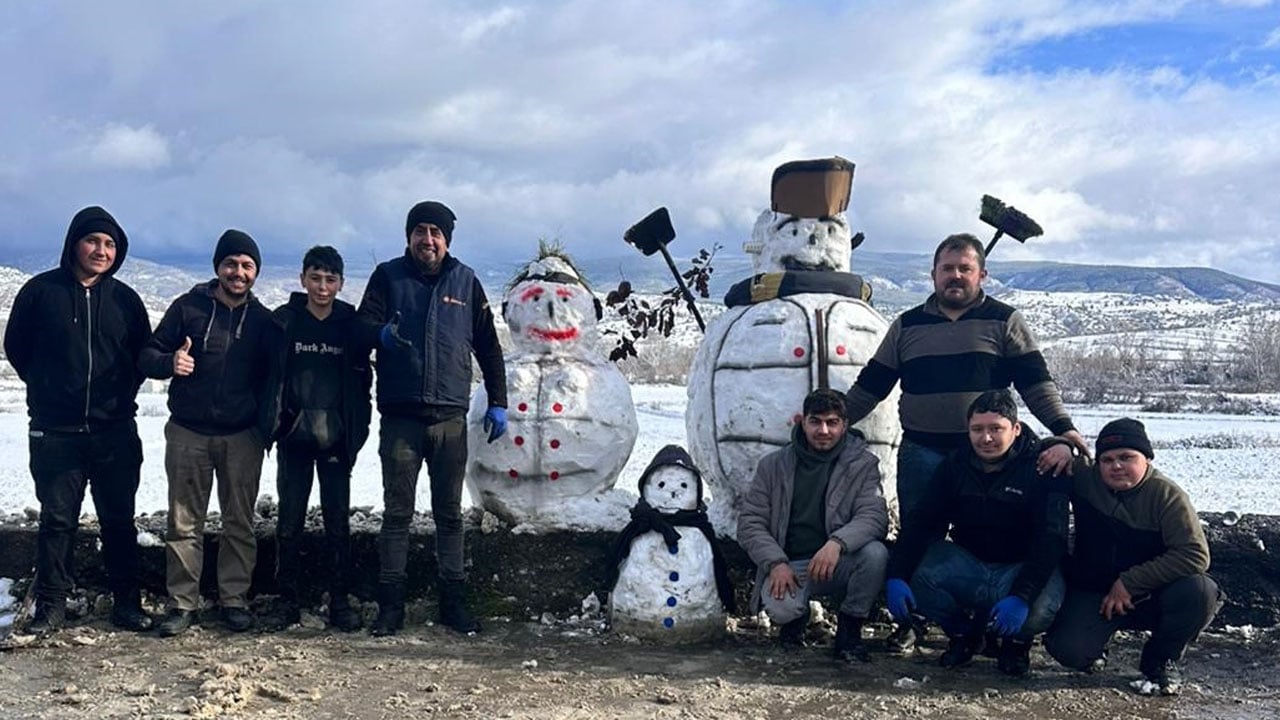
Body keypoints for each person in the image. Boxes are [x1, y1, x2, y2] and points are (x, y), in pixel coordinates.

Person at [844, 232, 1082, 650]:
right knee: (921, 535)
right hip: (924, 451)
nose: (955, 276)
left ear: (982, 274)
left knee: (1000, 534)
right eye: (947, 269)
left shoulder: (1004, 321)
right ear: (933, 274)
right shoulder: (907, 326)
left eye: (964, 269)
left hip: (992, 458)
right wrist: (834, 422)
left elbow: (1035, 382)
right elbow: (872, 385)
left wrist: (1063, 428)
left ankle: (1003, 620)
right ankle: (917, 622)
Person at [357, 200, 508, 636]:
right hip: (401, 417)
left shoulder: (466, 280)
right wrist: (380, 335)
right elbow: (361, 328)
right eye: (420, 231)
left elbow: (489, 347)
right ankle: (391, 607)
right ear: (408, 236)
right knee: (397, 514)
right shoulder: (388, 276)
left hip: (449, 420)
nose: (428, 239)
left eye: (435, 232)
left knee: (449, 516)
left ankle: (453, 605)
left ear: (447, 239)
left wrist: (498, 399)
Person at [4, 206, 153, 633]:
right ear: (74, 244)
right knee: (56, 520)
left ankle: (127, 602)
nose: (101, 251)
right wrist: (49, 389)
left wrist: (120, 395)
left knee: (119, 519)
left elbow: (141, 356)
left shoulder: (125, 300)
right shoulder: (39, 292)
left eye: (109, 244)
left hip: (114, 430)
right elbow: (18, 349)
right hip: (56, 432)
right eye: (93, 241)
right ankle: (51, 607)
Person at [138, 230, 274, 636]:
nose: (238, 272)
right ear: (218, 267)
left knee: (240, 522)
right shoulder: (187, 308)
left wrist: (266, 429)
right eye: (231, 263)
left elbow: (273, 382)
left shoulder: (264, 321)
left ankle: (234, 599)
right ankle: (182, 603)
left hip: (242, 436)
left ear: (256, 273)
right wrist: (169, 362)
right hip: (188, 432)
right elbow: (148, 354)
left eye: (247, 266)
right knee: (183, 522)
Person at [883, 389, 1070, 676]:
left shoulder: (1042, 465)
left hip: (1019, 567)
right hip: (970, 562)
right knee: (918, 575)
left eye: (996, 429)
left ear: (1016, 429)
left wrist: (1022, 595)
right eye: (978, 429)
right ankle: (965, 633)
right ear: (968, 430)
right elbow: (923, 522)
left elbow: (1051, 538)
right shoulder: (955, 465)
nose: (986, 438)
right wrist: (896, 575)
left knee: (1041, 607)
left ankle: (1016, 642)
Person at [1045, 418, 1223, 696]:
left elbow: (1195, 554)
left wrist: (1130, 582)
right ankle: (1095, 650)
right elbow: (1036, 449)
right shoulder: (1084, 479)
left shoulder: (1167, 495)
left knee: (1199, 591)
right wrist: (1063, 444)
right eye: (1108, 459)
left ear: (1147, 459)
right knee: (1068, 650)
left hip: (1153, 593)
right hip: (1096, 590)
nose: (1116, 466)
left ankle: (1161, 660)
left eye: (1127, 457)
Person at [258, 246, 373, 632]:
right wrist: (274, 424)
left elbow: (363, 382)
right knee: (288, 523)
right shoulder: (284, 321)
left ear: (341, 283)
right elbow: (267, 376)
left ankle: (339, 600)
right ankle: (286, 600)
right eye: (316, 277)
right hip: (294, 438)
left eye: (331, 279)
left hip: (337, 441)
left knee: (338, 523)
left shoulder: (351, 326)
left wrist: (358, 430)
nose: (323, 286)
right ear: (302, 278)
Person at [737, 388, 889, 664]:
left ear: (844, 425)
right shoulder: (773, 466)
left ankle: (849, 631)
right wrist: (775, 563)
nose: (823, 430)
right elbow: (750, 523)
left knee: (875, 554)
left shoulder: (863, 464)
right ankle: (796, 621)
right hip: (791, 564)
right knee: (781, 609)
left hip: (837, 562)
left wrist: (837, 543)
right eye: (815, 421)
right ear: (802, 422)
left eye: (832, 422)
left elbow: (874, 516)